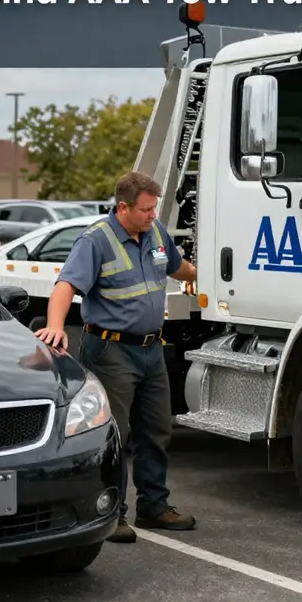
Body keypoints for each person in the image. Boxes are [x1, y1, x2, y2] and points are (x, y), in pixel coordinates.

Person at [34, 171, 198, 543]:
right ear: (123, 208)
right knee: (114, 436)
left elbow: (177, 267)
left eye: (154, 208)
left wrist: (204, 276)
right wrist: (56, 326)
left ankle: (154, 507)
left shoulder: (156, 233)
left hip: (151, 350)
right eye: (145, 209)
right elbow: (65, 286)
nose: (152, 215)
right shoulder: (96, 240)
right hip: (112, 351)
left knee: (156, 430)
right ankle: (112, 513)